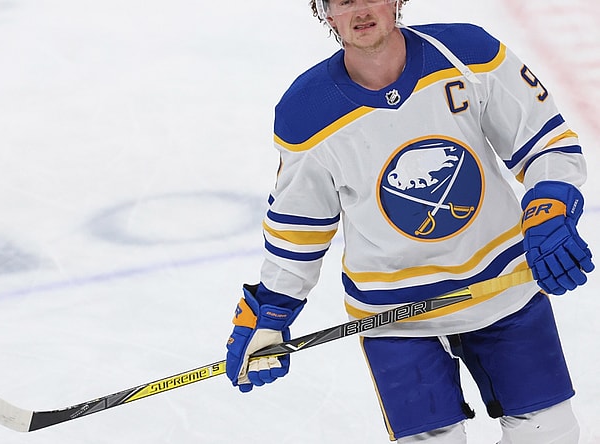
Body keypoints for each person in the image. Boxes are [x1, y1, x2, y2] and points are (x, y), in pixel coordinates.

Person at [224, 0, 594, 442]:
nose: (360, 9)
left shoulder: (470, 53)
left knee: (548, 433)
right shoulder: (307, 112)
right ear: (324, 12)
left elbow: (545, 142)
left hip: (502, 290)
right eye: (342, 1)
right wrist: (271, 309)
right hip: (395, 316)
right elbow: (299, 224)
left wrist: (549, 209)